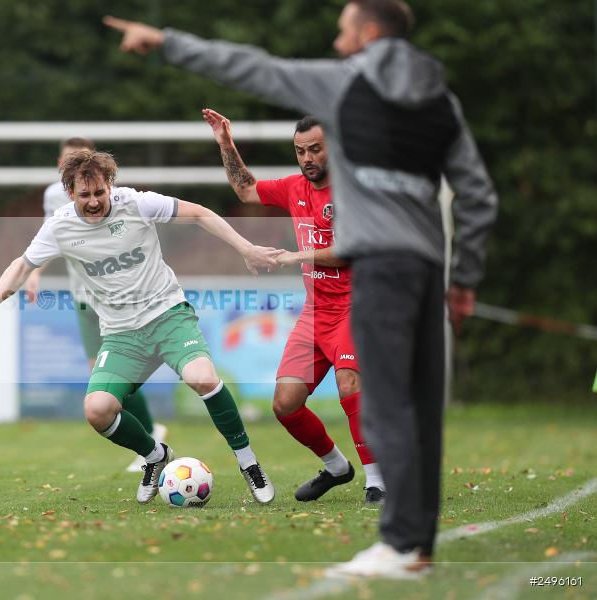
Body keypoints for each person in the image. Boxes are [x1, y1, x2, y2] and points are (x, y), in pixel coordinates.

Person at [105, 0, 498, 578]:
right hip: (425, 269)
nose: (338, 43)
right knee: (408, 409)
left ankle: (399, 537)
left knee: (376, 399)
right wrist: (463, 278)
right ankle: (411, 537)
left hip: (377, 279)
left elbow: (255, 66)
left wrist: (166, 42)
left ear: (367, 34)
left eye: (343, 32)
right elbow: (477, 193)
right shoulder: (439, 100)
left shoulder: (346, 89)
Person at [0, 150, 280, 505]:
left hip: (167, 315)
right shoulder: (60, 225)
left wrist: (246, 247)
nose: (94, 201)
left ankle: (248, 462)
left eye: (99, 192)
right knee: (97, 410)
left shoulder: (136, 203)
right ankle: (154, 455)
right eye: (84, 195)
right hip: (121, 333)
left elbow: (200, 213)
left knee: (203, 377)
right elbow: (22, 265)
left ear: (109, 186)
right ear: (70, 193)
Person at [203, 109, 383, 505]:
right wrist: (226, 143)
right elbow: (247, 191)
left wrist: (293, 256)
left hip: (355, 307)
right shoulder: (293, 187)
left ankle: (378, 481)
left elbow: (350, 251)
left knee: (350, 383)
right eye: (300, 151)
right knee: (285, 404)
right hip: (315, 314)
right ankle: (337, 466)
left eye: (315, 149)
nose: (307, 159)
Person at [25, 137, 167, 473]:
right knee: (99, 369)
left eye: (76, 158)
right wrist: (34, 274)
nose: (69, 164)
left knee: (118, 371)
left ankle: (149, 436)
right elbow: (49, 239)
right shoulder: (53, 196)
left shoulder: (109, 197)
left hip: (115, 298)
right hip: (82, 297)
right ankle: (151, 435)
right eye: (65, 160)